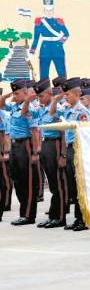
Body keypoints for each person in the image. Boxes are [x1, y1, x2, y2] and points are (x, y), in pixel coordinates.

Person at [51, 77, 90, 231]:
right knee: (73, 186)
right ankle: (77, 219)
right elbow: (52, 112)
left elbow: (86, 133)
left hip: (79, 148)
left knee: (80, 185)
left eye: (67, 94)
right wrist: (56, 100)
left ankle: (84, 219)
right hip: (70, 148)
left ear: (76, 94)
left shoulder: (82, 112)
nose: (65, 97)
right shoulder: (68, 109)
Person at [2, 79, 41, 225]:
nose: (14, 96)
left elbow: (35, 131)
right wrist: (6, 96)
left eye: (16, 93)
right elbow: (1, 105)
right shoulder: (14, 107)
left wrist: (35, 153)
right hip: (14, 146)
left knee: (28, 182)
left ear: (25, 93)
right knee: (18, 180)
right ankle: (23, 213)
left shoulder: (29, 108)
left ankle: (29, 215)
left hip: (25, 145)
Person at [30, 79, 68, 228]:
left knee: (58, 182)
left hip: (56, 144)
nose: (39, 99)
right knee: (52, 183)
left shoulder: (57, 108)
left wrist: (63, 154)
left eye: (41, 96)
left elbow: (63, 132)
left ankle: (60, 217)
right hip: (46, 145)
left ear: (48, 94)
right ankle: (53, 215)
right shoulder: (42, 109)